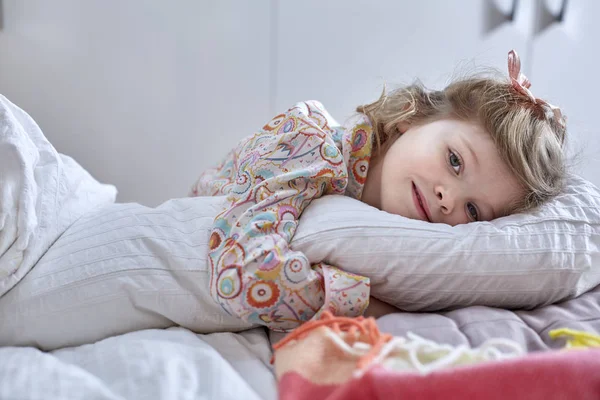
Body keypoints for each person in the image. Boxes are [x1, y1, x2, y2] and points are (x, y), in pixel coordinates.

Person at [189, 50, 567, 331]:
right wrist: (368, 305)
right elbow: (244, 274)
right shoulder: (310, 144)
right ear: (411, 116)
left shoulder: (404, 251)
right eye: (454, 161)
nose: (447, 199)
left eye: (473, 211)